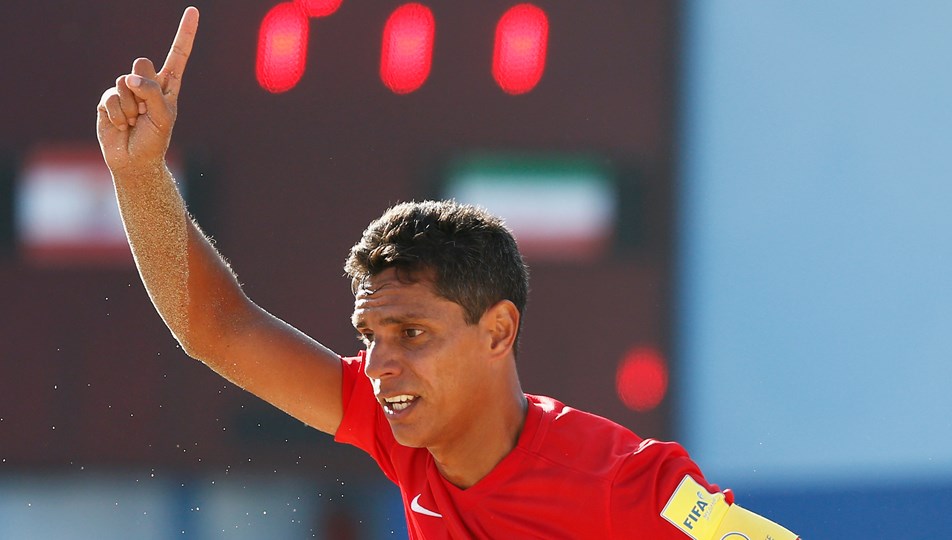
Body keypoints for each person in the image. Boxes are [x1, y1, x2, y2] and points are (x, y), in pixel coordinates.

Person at [96, 7, 799, 539]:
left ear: (498, 331)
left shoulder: (631, 484)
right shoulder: (399, 429)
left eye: (410, 332)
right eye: (369, 333)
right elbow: (216, 328)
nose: (380, 363)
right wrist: (138, 174)